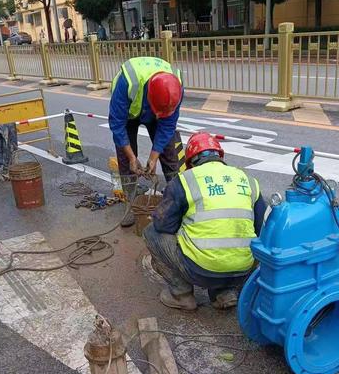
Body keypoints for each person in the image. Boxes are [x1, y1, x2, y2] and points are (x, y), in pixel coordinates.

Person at [143, 132, 267, 311]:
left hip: (200, 270)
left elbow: (163, 225)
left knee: (151, 232)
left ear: (190, 162)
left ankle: (181, 294)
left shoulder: (186, 180)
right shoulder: (247, 180)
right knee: (239, 240)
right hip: (243, 270)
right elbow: (261, 229)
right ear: (220, 156)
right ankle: (224, 293)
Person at [109, 56, 184, 226]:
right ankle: (130, 204)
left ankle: (177, 205)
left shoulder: (176, 88)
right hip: (128, 113)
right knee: (125, 159)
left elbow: (167, 126)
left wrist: (154, 156)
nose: (157, 116)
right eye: (157, 112)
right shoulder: (127, 84)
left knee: (170, 155)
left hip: (160, 103)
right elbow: (117, 125)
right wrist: (132, 157)